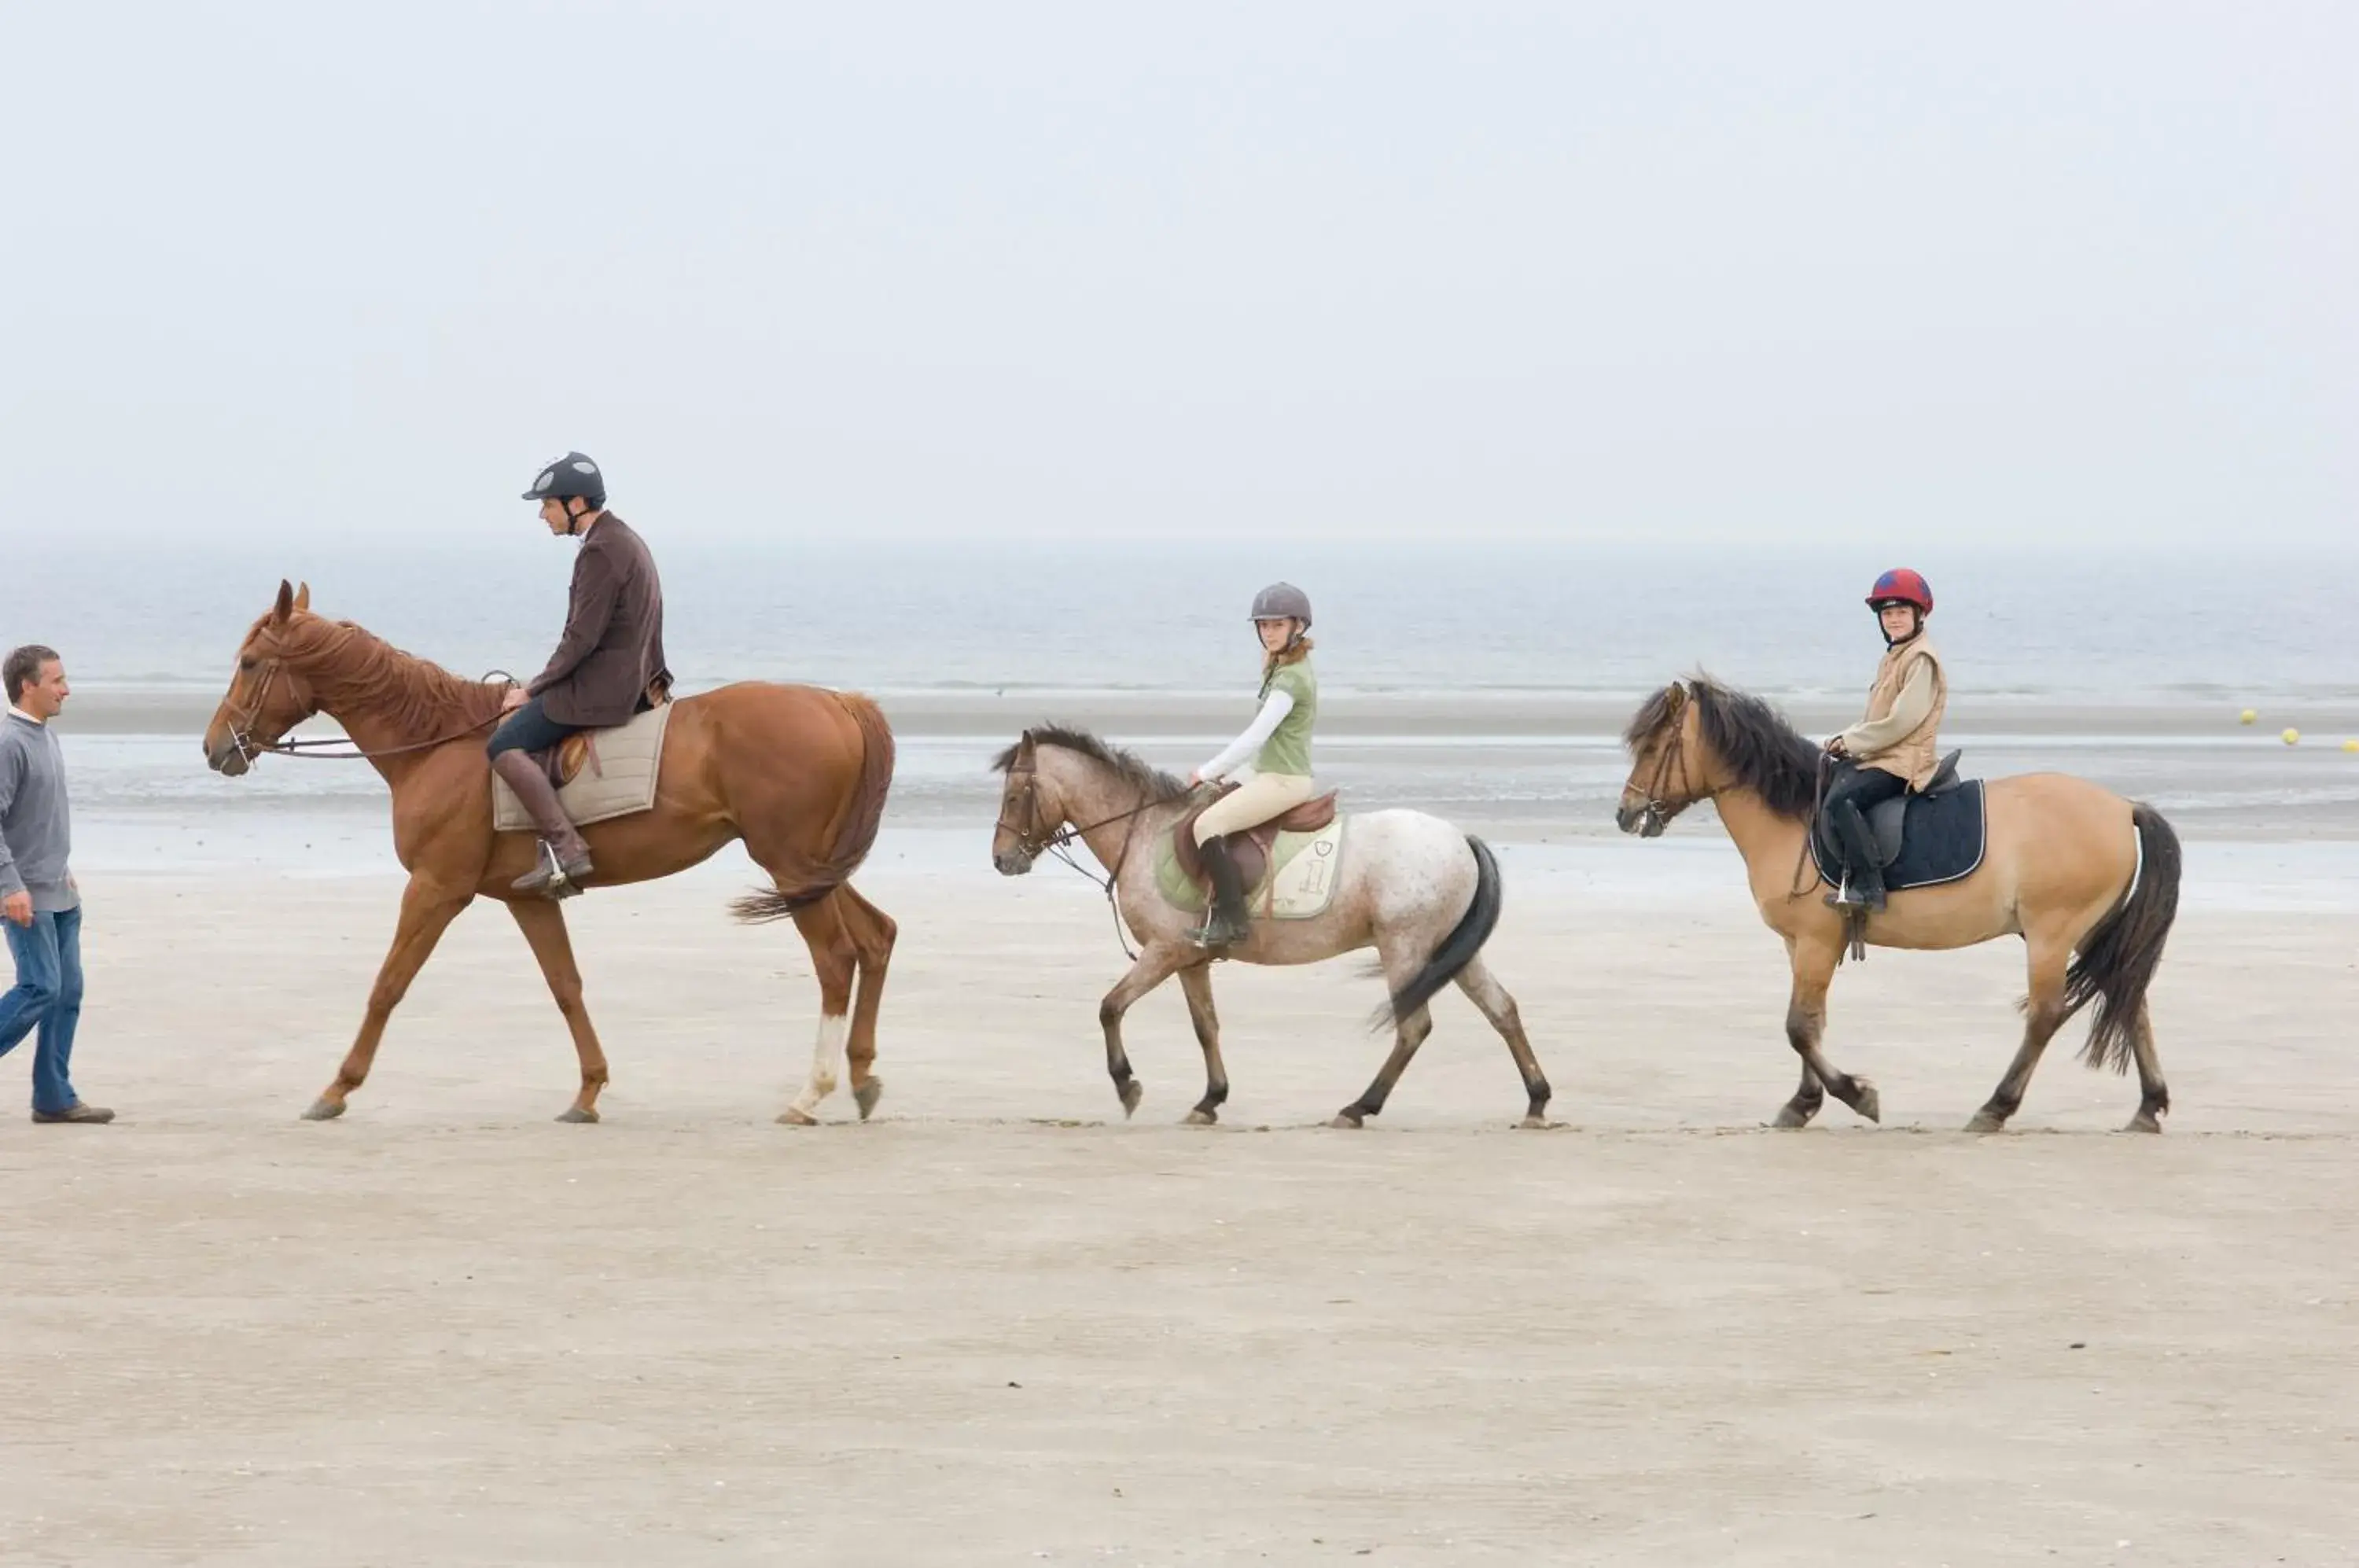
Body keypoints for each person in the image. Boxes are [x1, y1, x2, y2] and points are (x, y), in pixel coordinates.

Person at [489, 452, 672, 897]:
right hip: (637, 675)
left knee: (503, 743)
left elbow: (580, 639)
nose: (542, 514)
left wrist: (532, 690)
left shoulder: (600, 551)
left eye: (547, 504)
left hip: (606, 688)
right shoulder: (622, 538)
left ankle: (565, 845)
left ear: (575, 503)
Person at [0, 644, 109, 1123]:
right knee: (40, 987)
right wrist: (10, 885)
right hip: (25, 896)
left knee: (67, 993)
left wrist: (61, 865)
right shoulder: (9, 742)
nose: (66, 689)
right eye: (57, 681)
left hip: (58, 890)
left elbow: (41, 814)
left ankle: (53, 1097)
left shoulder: (46, 736)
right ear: (28, 686)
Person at [1186, 583, 1321, 948]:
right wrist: (1223, 778)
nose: (1269, 632)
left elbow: (1254, 738)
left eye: (1278, 625)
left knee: (1207, 825)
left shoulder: (1290, 679)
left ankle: (1233, 921)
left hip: (1284, 780)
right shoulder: (1279, 665)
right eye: (1263, 625)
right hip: (1264, 771)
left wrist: (1207, 771)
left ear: (1298, 627)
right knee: (1204, 803)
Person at [1822, 568, 1947, 913]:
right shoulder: (1895, 657)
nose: (1894, 620)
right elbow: (1876, 718)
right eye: (1887, 614)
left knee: (1841, 803)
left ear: (1919, 616)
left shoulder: (1921, 658)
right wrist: (1843, 740)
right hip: (1881, 755)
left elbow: (1901, 722)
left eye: (1902, 613)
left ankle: (1870, 886)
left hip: (1903, 762)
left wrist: (1851, 741)